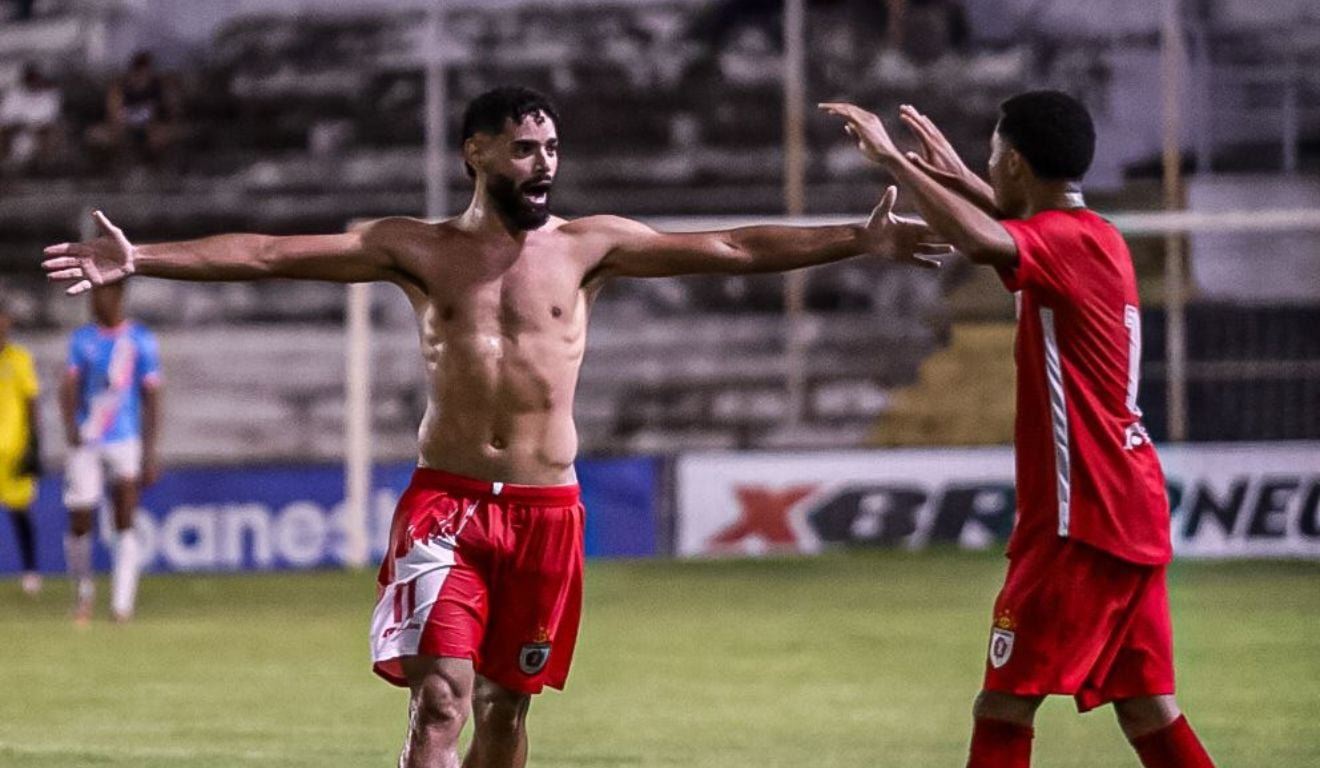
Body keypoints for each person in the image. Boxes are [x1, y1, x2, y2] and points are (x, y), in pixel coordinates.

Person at [44, 85, 947, 768]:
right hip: (447, 507)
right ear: (475, 151)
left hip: (549, 511)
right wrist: (146, 258)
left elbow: (734, 248)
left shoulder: (591, 246)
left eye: (551, 147)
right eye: (523, 149)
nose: (544, 164)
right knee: (442, 699)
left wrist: (856, 238)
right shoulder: (420, 247)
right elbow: (273, 256)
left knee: (508, 711)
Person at [820, 92, 1216, 767]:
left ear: (1018, 164)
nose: (988, 164)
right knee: (1147, 706)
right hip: (1127, 505)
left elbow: (980, 241)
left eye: (994, 155)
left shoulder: (1060, 245)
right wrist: (951, 176)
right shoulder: (1096, 237)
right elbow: (1012, 223)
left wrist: (890, 159)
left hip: (1081, 517)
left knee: (1003, 705)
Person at [58, 282, 162, 624]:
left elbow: (152, 398)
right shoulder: (82, 340)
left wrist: (150, 453)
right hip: (88, 441)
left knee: (125, 519)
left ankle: (122, 604)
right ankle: (83, 594)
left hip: (124, 440)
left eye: (99, 294)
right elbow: (69, 386)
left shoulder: (141, 341)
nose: (93, 302)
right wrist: (72, 428)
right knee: (80, 518)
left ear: (116, 296)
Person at [0, 299, 43, 594]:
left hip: (13, 449)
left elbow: (31, 403)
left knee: (20, 513)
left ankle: (30, 572)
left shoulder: (19, 358)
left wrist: (35, 445)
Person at [85, 51, 183, 173]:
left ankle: (158, 169)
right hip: (125, 128)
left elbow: (172, 114)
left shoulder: (159, 88)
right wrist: (120, 123)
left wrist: (162, 121)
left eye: (145, 73)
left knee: (161, 137)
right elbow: (113, 113)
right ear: (132, 72)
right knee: (98, 136)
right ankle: (116, 169)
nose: (141, 78)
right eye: (138, 73)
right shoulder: (120, 88)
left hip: (152, 128)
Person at [0, 62, 64, 173]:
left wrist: (34, 126)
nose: (35, 82)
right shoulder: (14, 94)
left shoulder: (50, 94)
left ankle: (46, 167)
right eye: (31, 78)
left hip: (41, 132)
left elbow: (50, 116)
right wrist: (20, 125)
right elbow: (6, 116)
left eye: (36, 78)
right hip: (16, 131)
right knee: (2, 131)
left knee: (52, 132)